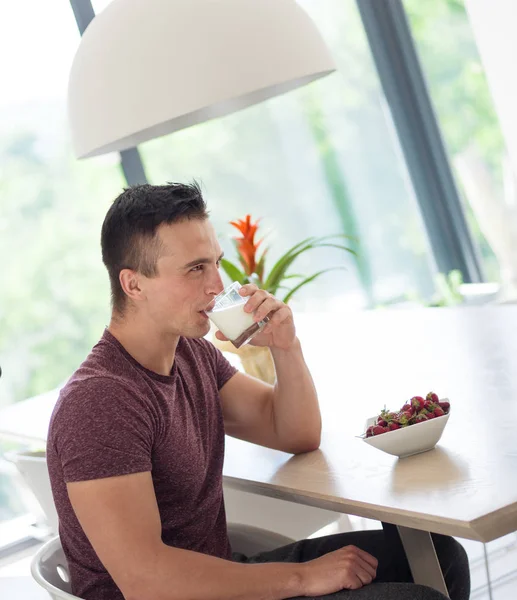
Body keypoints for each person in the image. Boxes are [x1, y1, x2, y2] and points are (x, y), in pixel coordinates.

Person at [46, 182, 470, 600]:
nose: (217, 284)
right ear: (134, 284)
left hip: (220, 576)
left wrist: (287, 346)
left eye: (216, 262)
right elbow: (147, 582)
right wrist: (302, 578)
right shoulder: (100, 403)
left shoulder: (191, 354)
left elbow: (293, 433)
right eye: (196, 269)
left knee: (437, 556)